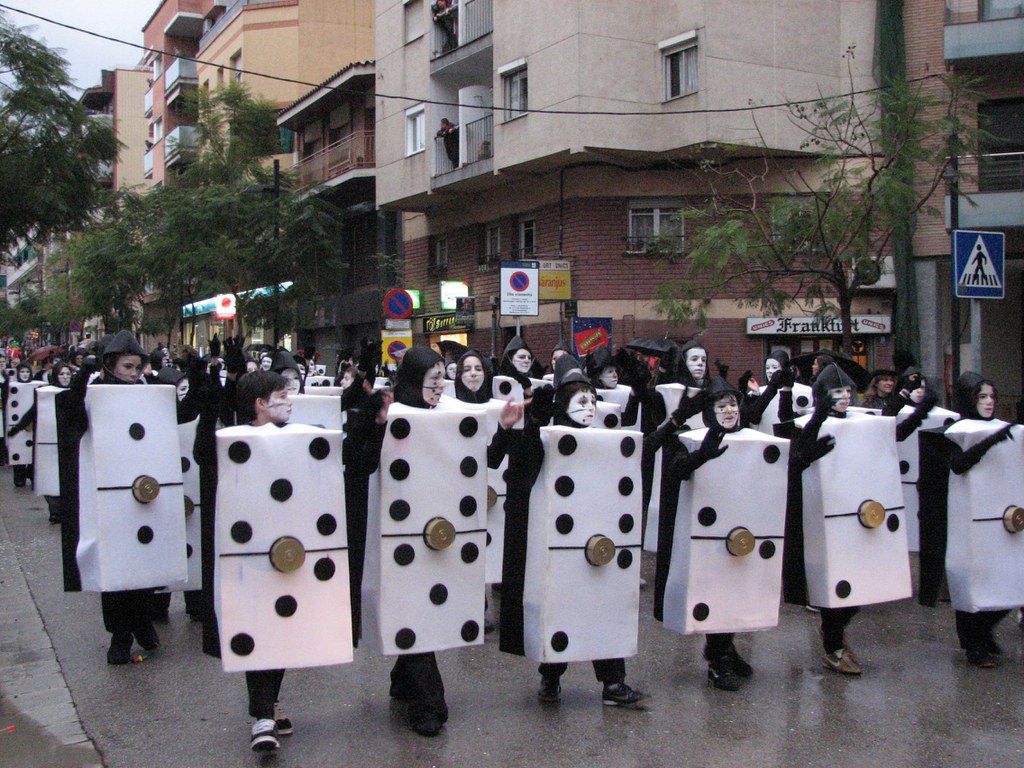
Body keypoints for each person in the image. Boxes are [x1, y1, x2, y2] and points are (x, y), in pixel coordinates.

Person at [494, 354, 649, 708]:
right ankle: (551, 675)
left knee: (602, 602)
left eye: (592, 400)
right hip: (557, 541)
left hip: (599, 536)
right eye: (581, 400)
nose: (589, 408)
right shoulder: (545, 440)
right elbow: (517, 469)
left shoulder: (606, 440)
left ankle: (613, 682)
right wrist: (531, 423)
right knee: (559, 605)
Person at [55, 330, 164, 665]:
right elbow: (72, 421)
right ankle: (120, 634)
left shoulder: (147, 393)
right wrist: (80, 380)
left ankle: (142, 622)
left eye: (137, 367)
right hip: (109, 492)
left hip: (144, 489)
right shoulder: (94, 394)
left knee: (144, 559)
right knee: (115, 565)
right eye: (127, 367)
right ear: (111, 365)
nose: (133, 373)